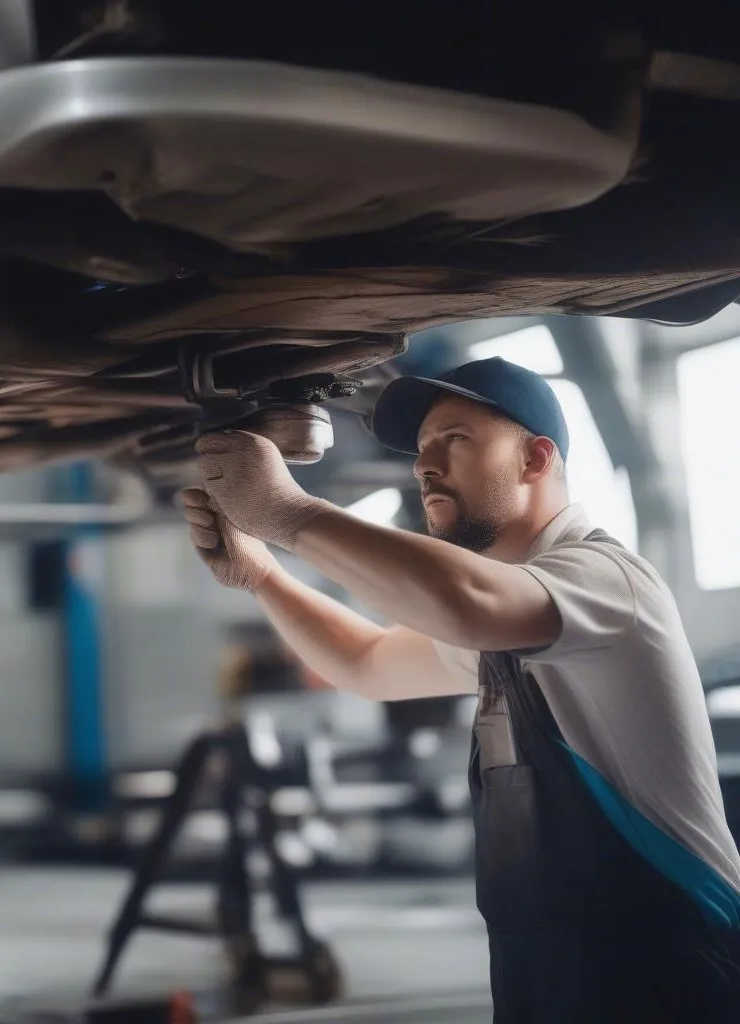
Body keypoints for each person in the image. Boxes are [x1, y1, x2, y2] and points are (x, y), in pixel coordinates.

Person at [180, 356, 740, 1023]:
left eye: (456, 439)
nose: (425, 465)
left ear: (535, 459)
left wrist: (289, 513)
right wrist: (262, 576)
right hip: (546, 962)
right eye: (422, 450)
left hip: (670, 957)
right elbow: (367, 661)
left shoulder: (605, 579)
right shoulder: (505, 620)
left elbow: (463, 597)